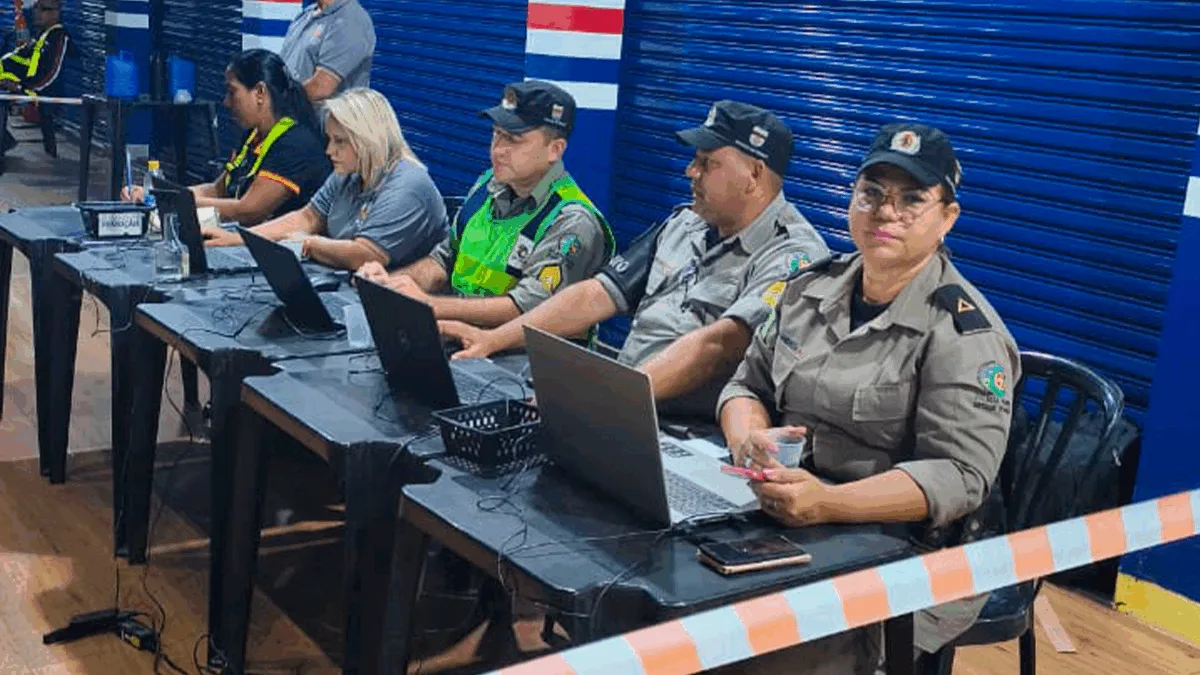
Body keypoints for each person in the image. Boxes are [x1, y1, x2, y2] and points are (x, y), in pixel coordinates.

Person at [715, 123, 1020, 674]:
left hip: (908, 553)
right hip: (789, 516)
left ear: (947, 217)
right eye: (872, 194)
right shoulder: (811, 288)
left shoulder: (963, 334)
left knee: (755, 656)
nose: (886, 213)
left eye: (912, 200)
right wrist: (747, 440)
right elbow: (746, 385)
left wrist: (827, 503)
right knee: (666, 612)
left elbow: (959, 475)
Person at [439, 100, 831, 418]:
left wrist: (606, 400)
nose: (690, 171)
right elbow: (596, 294)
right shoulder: (684, 223)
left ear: (755, 174)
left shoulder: (794, 257)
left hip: (689, 429)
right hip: (622, 406)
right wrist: (494, 340)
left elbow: (718, 346)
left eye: (707, 163)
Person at [357, 80, 615, 328]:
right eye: (496, 135)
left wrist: (429, 305)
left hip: (526, 363)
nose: (497, 149)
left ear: (555, 150)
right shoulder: (487, 186)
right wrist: (391, 286)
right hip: (464, 341)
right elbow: (444, 260)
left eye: (513, 140)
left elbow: (527, 308)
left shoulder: (572, 221)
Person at [201, 88, 446, 271]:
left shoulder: (407, 186)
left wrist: (309, 244)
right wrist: (239, 239)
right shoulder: (349, 176)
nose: (329, 151)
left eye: (340, 141)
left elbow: (366, 254)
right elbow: (306, 217)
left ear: (367, 141)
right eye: (330, 139)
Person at [122, 49, 331, 227]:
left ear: (259, 92)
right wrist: (157, 193)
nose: (226, 102)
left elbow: (248, 210)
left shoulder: (295, 144)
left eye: (232, 93)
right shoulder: (253, 136)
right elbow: (216, 190)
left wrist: (168, 201)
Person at [0, 0, 68, 152]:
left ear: (55, 13)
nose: (36, 12)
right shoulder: (41, 37)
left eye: (43, 9)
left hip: (40, 92)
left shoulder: (58, 38)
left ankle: (4, 142)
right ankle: (5, 141)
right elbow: (19, 59)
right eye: (36, 8)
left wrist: (20, 87)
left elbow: (50, 75)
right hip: (23, 86)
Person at [279, 0, 375, 102]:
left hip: (321, 116)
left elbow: (321, 88)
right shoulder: (306, 14)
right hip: (291, 113)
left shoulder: (351, 21)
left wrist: (276, 102)